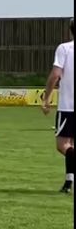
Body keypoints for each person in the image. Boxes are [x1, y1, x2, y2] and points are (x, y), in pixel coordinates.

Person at [42, 18, 74, 194]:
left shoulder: (65, 48)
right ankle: (69, 181)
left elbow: (55, 74)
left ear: (70, 30)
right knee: (72, 146)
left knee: (62, 145)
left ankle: (69, 182)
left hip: (68, 106)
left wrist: (46, 98)